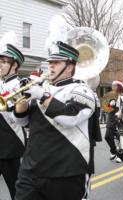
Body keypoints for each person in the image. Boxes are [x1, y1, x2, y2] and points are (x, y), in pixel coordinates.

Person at [13, 41, 99, 200]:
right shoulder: (40, 88)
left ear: (70, 67)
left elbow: (70, 117)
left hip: (67, 172)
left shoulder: (82, 90)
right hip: (32, 170)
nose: (50, 66)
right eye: (50, 62)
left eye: (56, 63)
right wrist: (21, 101)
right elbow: (22, 122)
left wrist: (42, 96)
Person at [0, 43, 26, 200]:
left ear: (14, 64)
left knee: (16, 190)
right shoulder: (1, 83)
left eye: (3, 62)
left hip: (11, 145)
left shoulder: (20, 85)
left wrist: (6, 106)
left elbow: (20, 119)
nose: (0, 65)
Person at [104, 80, 123, 163]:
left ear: (119, 86)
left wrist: (116, 106)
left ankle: (121, 154)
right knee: (107, 136)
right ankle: (114, 151)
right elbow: (106, 107)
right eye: (112, 85)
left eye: (115, 85)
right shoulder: (109, 95)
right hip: (111, 119)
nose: (113, 86)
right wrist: (109, 105)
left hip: (120, 119)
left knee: (120, 138)